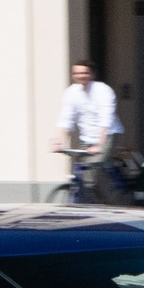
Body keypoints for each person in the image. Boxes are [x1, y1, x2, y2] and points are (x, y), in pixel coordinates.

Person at [54, 61, 124, 204]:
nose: (81, 76)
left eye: (84, 73)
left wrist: (99, 144)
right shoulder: (71, 92)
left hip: (108, 135)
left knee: (94, 170)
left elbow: (106, 119)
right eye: (77, 73)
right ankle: (90, 200)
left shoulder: (103, 91)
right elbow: (66, 118)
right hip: (87, 138)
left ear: (92, 74)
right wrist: (60, 140)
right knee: (83, 173)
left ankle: (110, 203)